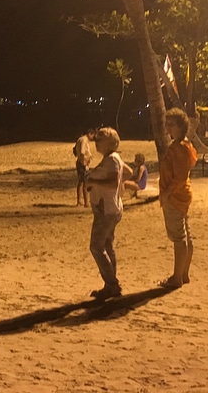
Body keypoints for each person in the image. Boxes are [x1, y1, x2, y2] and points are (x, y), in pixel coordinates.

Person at [85, 126, 130, 300]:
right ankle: (110, 285)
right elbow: (128, 172)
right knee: (107, 246)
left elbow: (111, 183)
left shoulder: (111, 160)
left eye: (100, 140)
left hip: (106, 210)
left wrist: (93, 181)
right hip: (112, 208)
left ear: (109, 143)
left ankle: (112, 284)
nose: (97, 143)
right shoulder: (114, 158)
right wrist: (120, 185)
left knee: (96, 247)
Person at [159, 107, 197, 289]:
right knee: (185, 235)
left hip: (176, 196)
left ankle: (177, 277)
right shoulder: (184, 145)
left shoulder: (180, 147)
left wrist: (167, 193)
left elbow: (180, 177)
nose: (168, 128)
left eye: (171, 124)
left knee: (179, 237)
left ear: (181, 126)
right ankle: (183, 274)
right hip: (180, 195)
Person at [74, 128, 96, 207]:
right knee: (85, 182)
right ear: (90, 133)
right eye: (93, 135)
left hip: (80, 162)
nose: (93, 138)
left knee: (81, 182)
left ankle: (79, 200)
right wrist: (84, 162)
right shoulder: (84, 140)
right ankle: (87, 202)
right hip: (83, 163)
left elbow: (76, 151)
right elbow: (82, 152)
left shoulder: (80, 139)